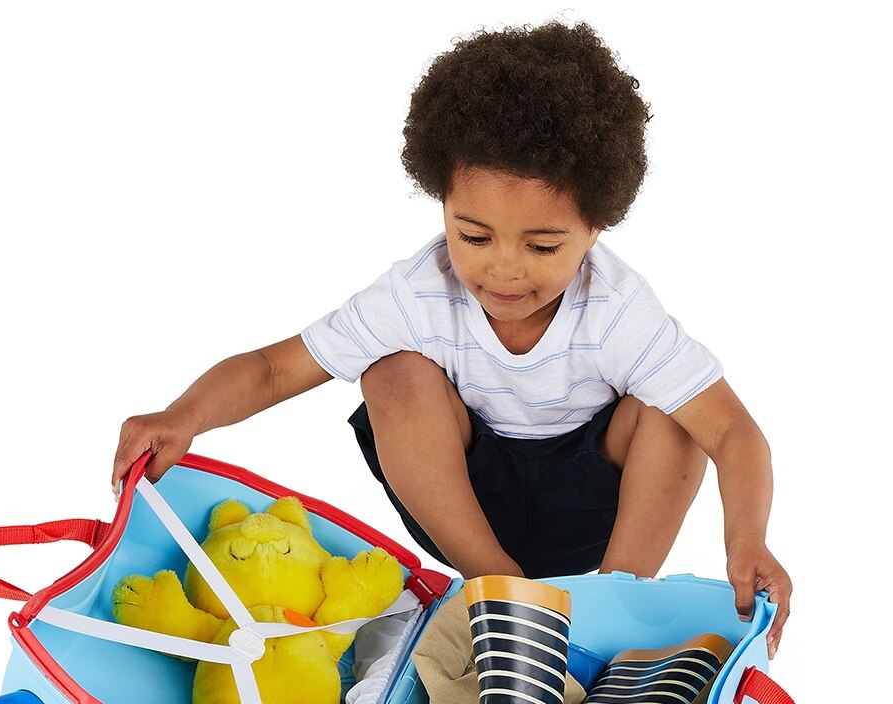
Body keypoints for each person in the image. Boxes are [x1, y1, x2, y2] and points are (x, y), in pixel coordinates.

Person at [111, 20, 791, 658]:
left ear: (596, 227)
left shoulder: (618, 310)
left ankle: (613, 606)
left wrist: (747, 540)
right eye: (474, 236)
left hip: (596, 508)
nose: (504, 268)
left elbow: (734, 433)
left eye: (543, 245)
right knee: (391, 371)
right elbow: (273, 368)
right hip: (468, 502)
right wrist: (183, 416)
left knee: (675, 409)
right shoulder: (417, 294)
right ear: (443, 205)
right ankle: (502, 596)